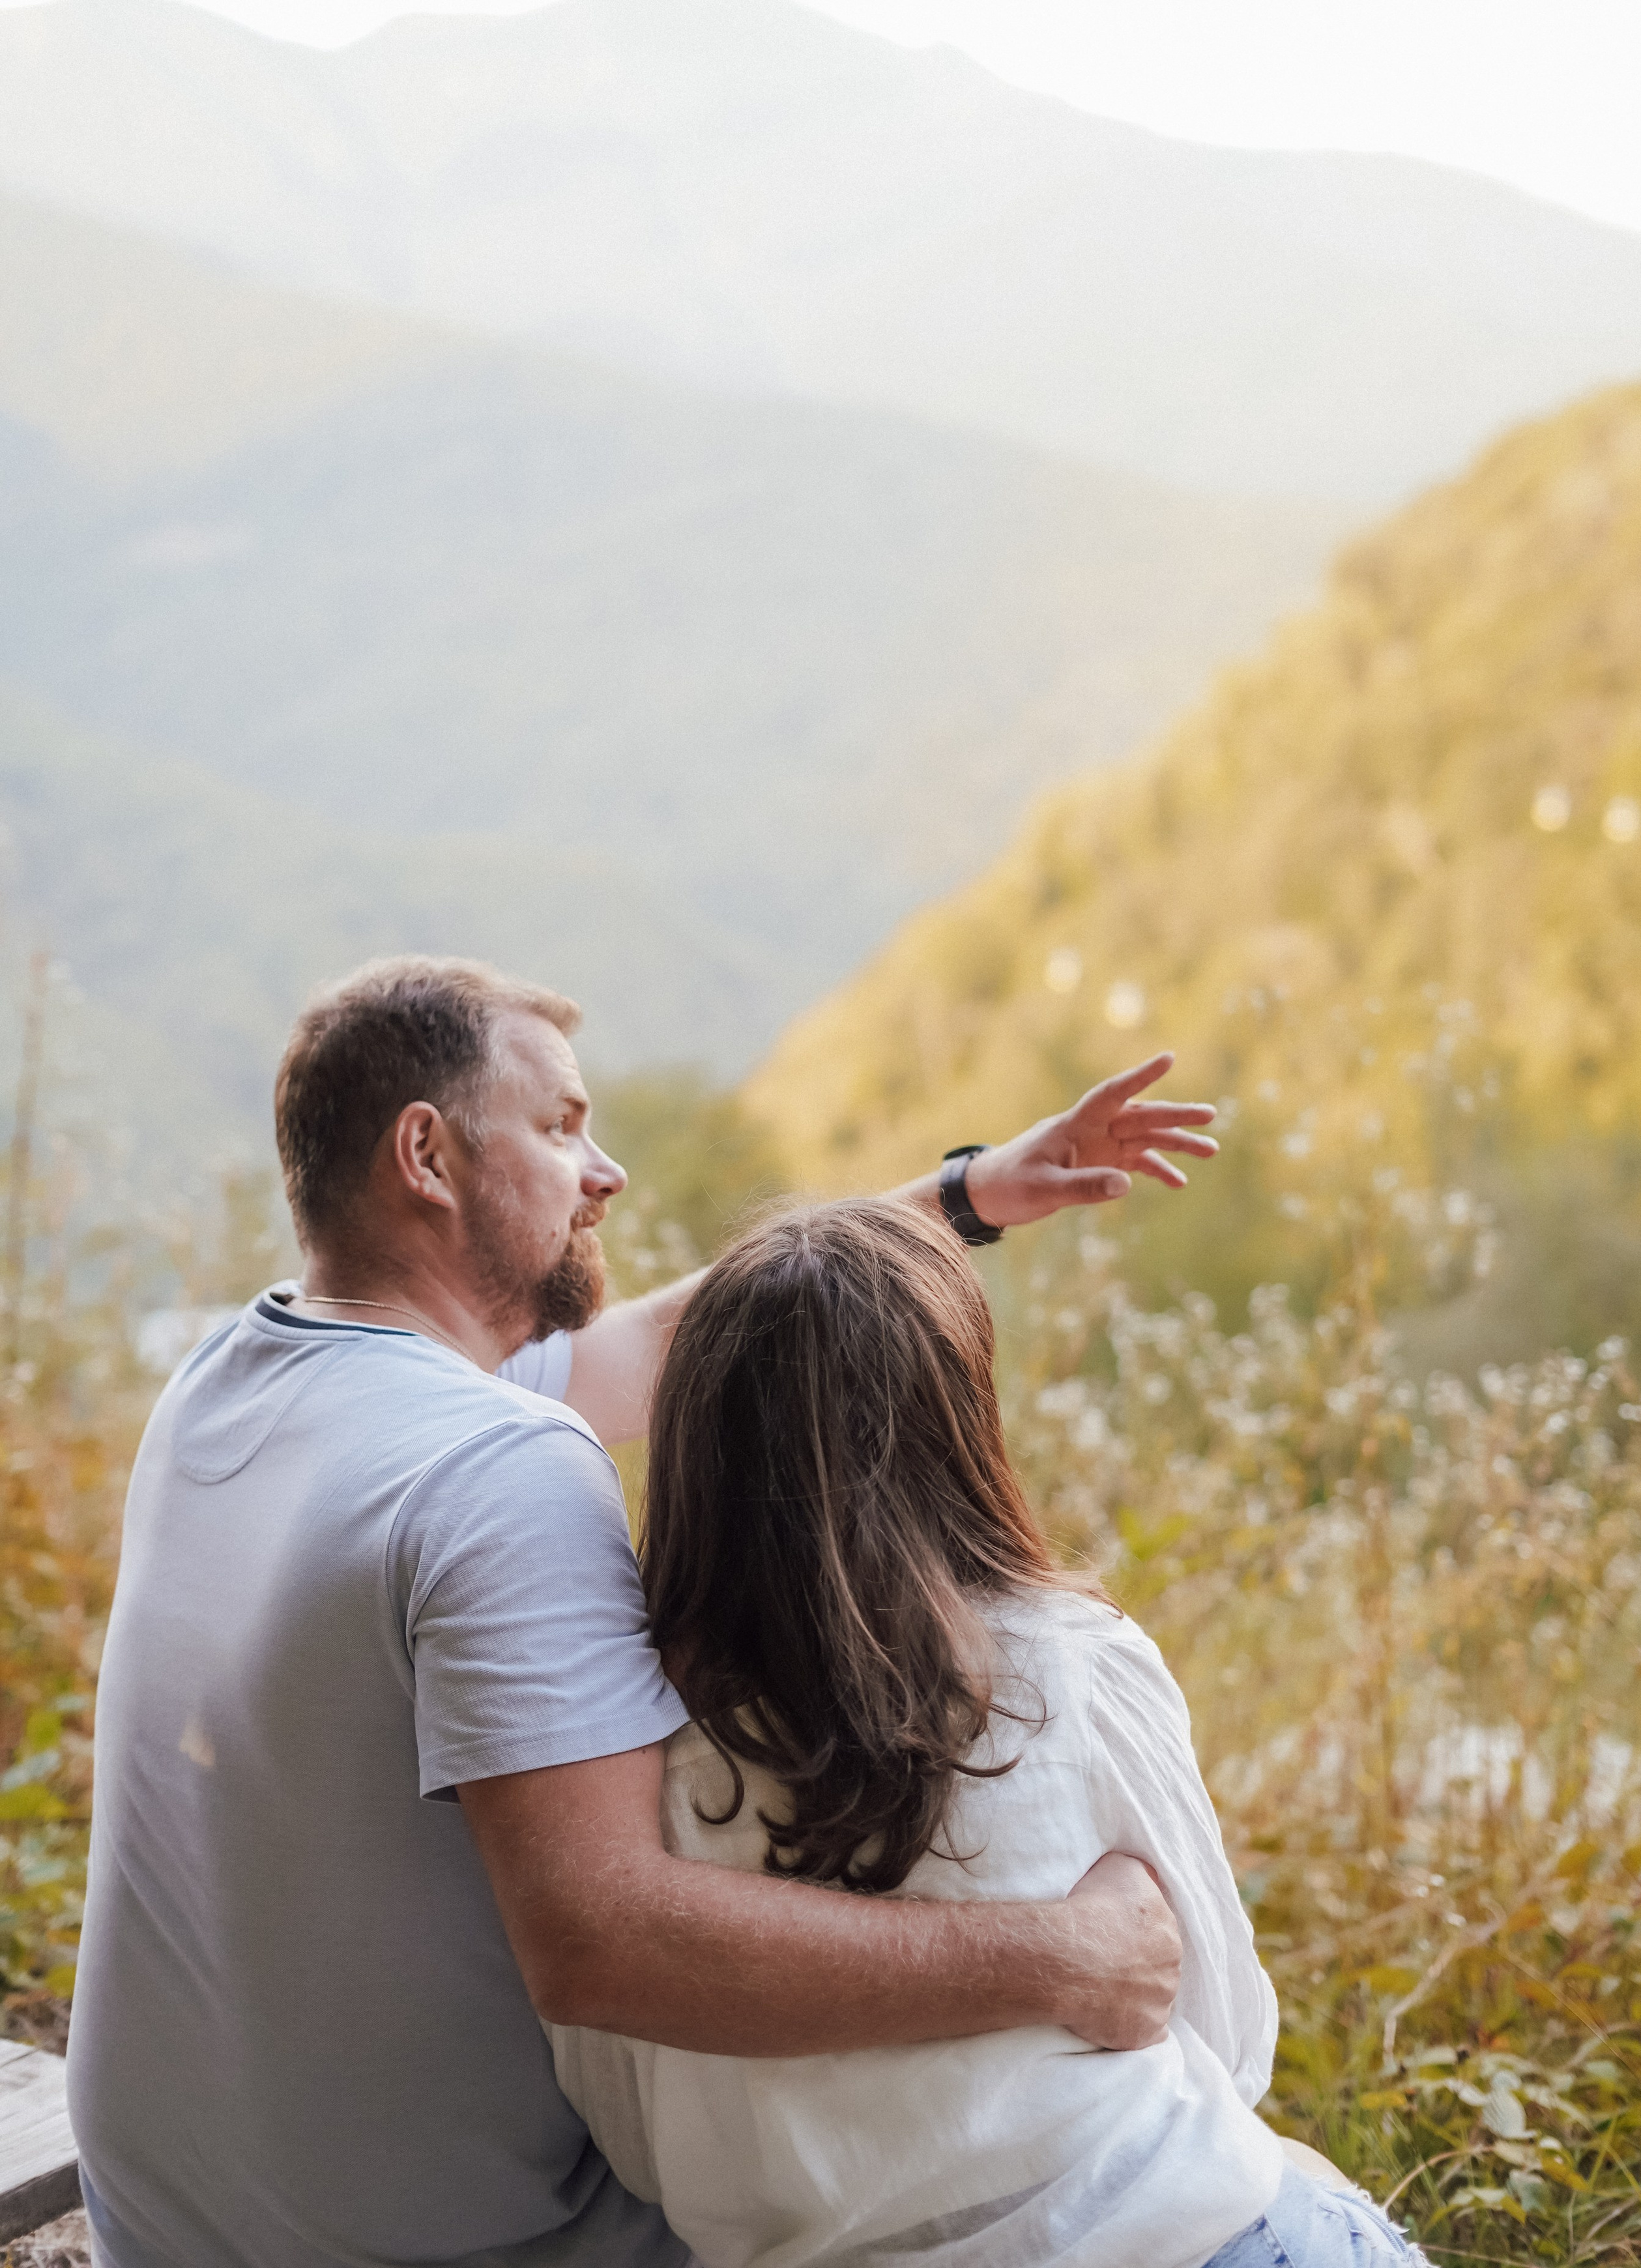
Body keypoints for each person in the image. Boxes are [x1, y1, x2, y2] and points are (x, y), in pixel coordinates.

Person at [68, 955, 1221, 2268]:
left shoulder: (239, 1374)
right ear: (427, 1157)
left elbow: (694, 1336)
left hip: (172, 2224)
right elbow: (605, 1946)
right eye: (561, 1129)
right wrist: (1060, 1957)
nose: (604, 1173)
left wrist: (963, 1198)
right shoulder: (498, 1470)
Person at [547, 1198, 1429, 2268]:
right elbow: (1227, 2036)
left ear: (696, 1445)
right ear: (952, 1422)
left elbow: (633, 2136)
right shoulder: (1071, 1662)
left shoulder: (617, 1763)